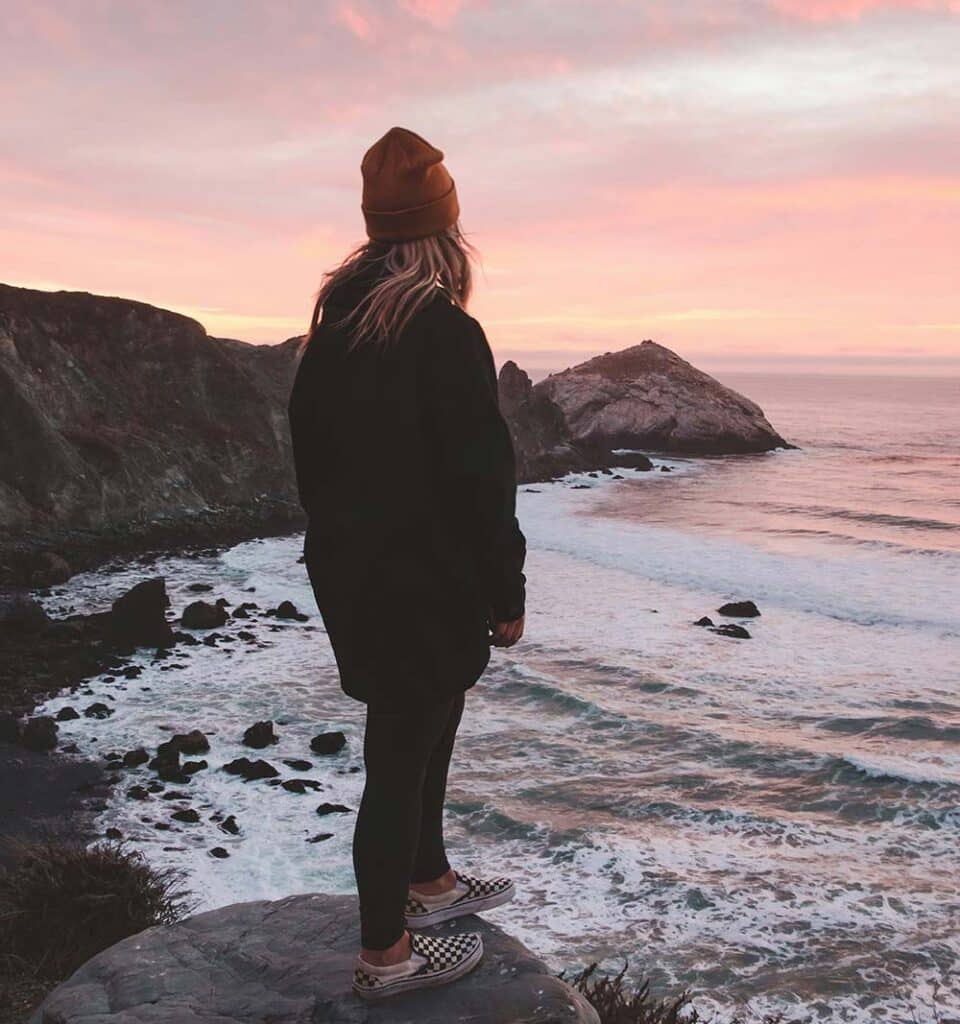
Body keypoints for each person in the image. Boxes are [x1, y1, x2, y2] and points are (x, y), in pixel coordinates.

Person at [288, 126, 527, 1000]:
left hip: (354, 576)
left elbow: (311, 467)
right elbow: (482, 478)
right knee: (397, 756)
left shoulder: (329, 334)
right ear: (441, 233)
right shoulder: (445, 333)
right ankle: (385, 954)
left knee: (427, 722)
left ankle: (429, 882)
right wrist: (506, 588)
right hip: (423, 584)